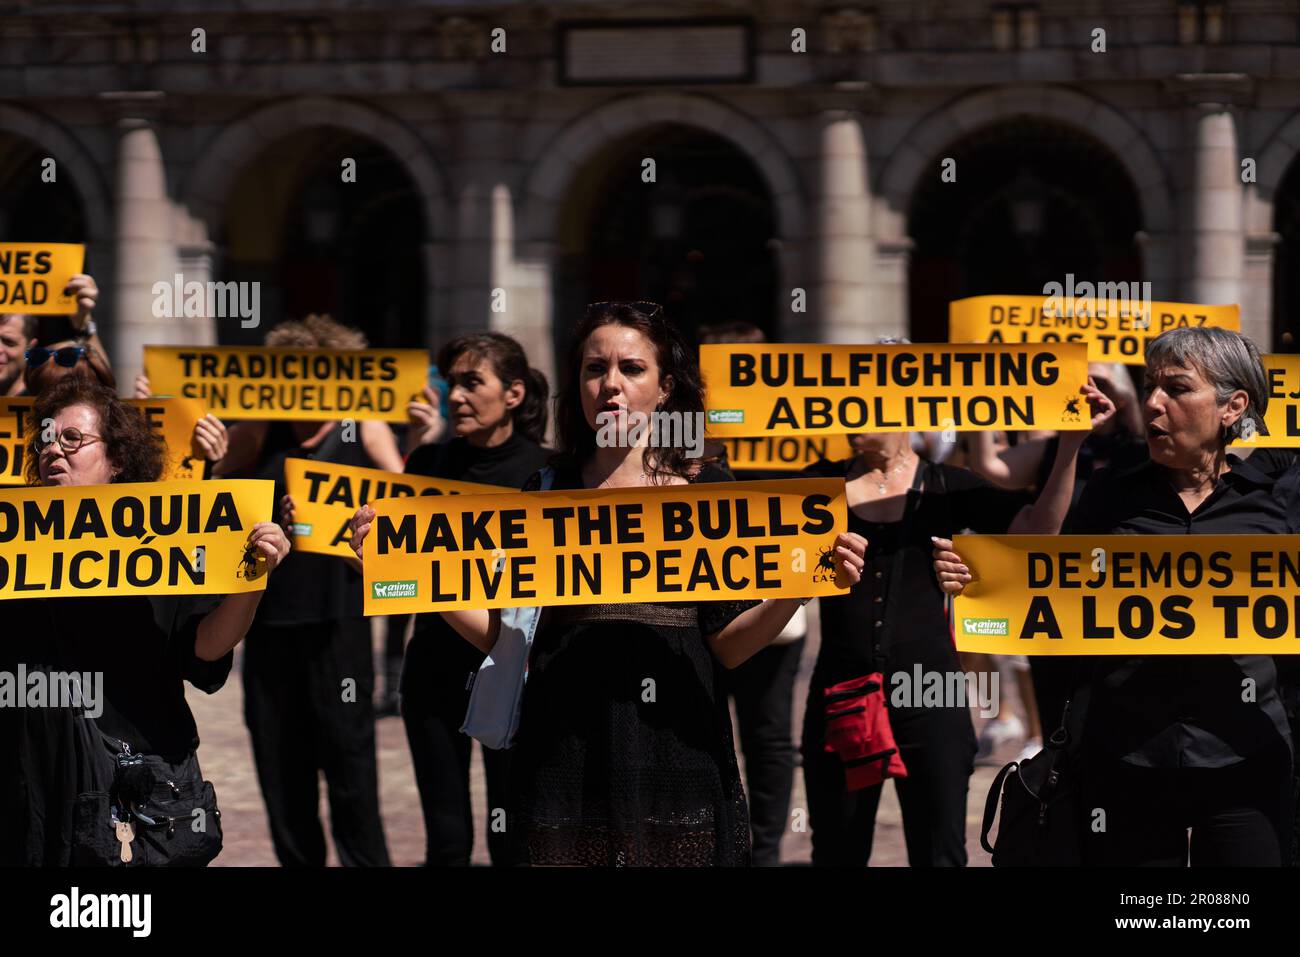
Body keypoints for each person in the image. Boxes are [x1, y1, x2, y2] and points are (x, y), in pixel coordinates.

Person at [351, 301, 867, 866]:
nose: (611, 385)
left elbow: (728, 644)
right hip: (561, 756)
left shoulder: (704, 489)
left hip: (679, 751)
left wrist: (803, 584)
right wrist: (408, 574)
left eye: (632, 369)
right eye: (595, 369)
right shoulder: (545, 491)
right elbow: (503, 638)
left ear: (666, 386)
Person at [935, 326, 1300, 866]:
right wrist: (983, 583)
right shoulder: (1111, 497)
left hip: (1246, 760)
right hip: (1129, 761)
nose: (1153, 403)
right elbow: (1041, 577)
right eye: (1151, 387)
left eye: (1176, 389)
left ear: (1233, 406)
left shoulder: (1276, 507)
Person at [799, 375, 1114, 867]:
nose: (852, 412)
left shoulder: (948, 487)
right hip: (841, 691)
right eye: (845, 401)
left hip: (931, 693)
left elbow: (1037, 534)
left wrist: (1070, 443)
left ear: (906, 409)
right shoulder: (817, 485)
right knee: (837, 851)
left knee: (942, 851)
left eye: (868, 401)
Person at [0, 376, 290, 865]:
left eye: (73, 439)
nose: (54, 449)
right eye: (45, 438)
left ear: (116, 460)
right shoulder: (13, 543)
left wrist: (252, 583)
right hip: (33, 784)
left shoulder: (167, 538)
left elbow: (205, 650)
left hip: (137, 781)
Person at [227, 314, 402, 867]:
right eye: (295, 373)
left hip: (340, 624)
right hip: (270, 624)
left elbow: (406, 511)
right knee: (282, 773)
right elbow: (210, 493)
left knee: (352, 769)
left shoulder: (362, 428)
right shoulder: (260, 428)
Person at [396, 332, 549, 866]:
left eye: (471, 383)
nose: (456, 396)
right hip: (433, 669)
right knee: (447, 840)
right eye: (451, 384)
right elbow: (395, 573)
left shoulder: (549, 473)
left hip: (515, 672)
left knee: (512, 837)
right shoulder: (425, 465)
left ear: (513, 394)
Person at [697, 319, 806, 867]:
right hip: (700, 617)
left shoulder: (800, 435)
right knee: (705, 734)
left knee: (767, 737)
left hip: (774, 614)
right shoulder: (688, 443)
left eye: (747, 369)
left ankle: (762, 851)